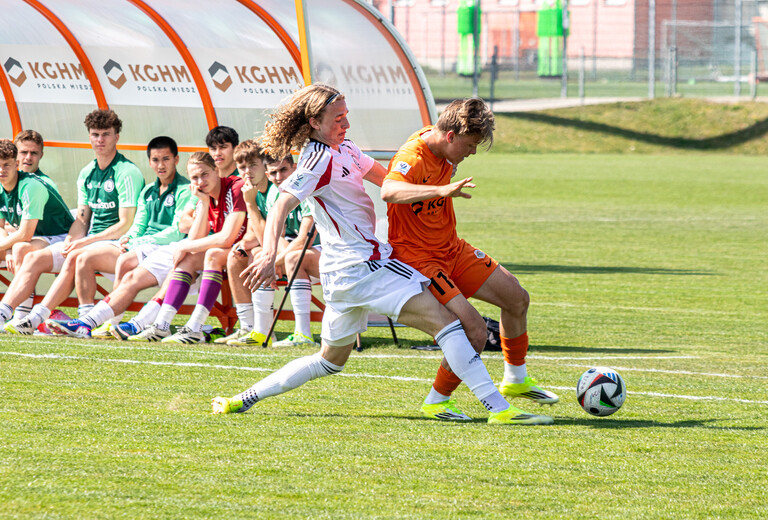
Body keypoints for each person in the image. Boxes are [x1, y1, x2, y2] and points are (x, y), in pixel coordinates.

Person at [211, 84, 552, 425]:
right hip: (364, 266)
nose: (346, 124)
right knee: (450, 324)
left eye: (346, 116)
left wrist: (428, 182)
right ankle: (498, 409)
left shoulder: (344, 147)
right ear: (314, 122)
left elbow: (386, 178)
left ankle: (242, 399)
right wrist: (269, 252)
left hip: (343, 275)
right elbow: (282, 204)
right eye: (338, 119)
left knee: (328, 361)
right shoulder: (318, 160)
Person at [381, 98, 559, 422]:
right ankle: (437, 401)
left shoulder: (442, 143)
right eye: (470, 145)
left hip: (453, 249)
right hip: (421, 260)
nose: (472, 152)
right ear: (450, 136)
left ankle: (516, 380)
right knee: (475, 330)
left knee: (516, 298)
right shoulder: (412, 156)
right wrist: (441, 191)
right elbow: (389, 191)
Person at [2, 109, 145, 334]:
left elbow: (125, 224)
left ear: (116, 137)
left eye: (106, 134)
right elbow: (82, 219)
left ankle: (70, 320)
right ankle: (7, 314)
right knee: (34, 258)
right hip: (90, 241)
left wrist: (85, 242)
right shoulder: (87, 172)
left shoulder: (127, 172)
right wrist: (70, 240)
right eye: (95, 134)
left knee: (78, 256)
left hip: (119, 243)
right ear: (89, 137)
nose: (100, 140)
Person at [45, 136, 192, 338]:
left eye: (166, 159)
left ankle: (110, 322)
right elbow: (139, 225)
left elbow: (176, 232)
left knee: (123, 261)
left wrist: (137, 241)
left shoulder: (185, 190)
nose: (160, 165)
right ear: (149, 162)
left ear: (176, 159)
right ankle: (86, 320)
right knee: (84, 258)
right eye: (155, 160)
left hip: (165, 247)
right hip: (143, 245)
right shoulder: (148, 191)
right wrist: (128, 239)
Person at [128, 151, 247, 343]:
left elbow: (227, 238)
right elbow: (194, 239)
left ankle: (195, 327)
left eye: (205, 174)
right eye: (195, 177)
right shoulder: (204, 196)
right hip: (231, 251)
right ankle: (161, 326)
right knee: (188, 258)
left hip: (250, 249)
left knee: (212, 254)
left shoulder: (235, 187)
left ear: (216, 170)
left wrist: (184, 246)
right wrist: (204, 202)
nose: (200, 181)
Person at [223, 152, 321, 347]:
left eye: (284, 170)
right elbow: (273, 238)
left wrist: (272, 262)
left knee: (290, 257)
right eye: (274, 173)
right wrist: (268, 257)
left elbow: (305, 241)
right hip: (299, 254)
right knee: (261, 253)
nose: (279, 177)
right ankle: (261, 331)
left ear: (295, 169)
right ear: (268, 175)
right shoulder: (275, 195)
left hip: (328, 251)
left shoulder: (308, 192)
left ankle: (303, 334)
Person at [0, 139, 74, 325]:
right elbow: (1, 227)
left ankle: (19, 316)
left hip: (62, 236)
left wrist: (7, 247)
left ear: (16, 164)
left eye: (7, 164)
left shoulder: (30, 186)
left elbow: (25, 234)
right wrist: (6, 250)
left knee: (20, 249)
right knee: (15, 248)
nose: (2, 170)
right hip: (37, 237)